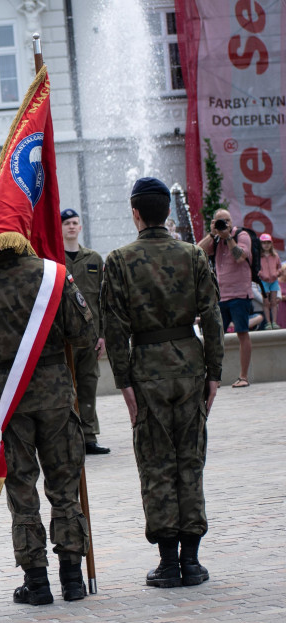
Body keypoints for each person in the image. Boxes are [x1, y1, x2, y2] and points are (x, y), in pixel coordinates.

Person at [102, 177, 223, 589]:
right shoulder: (191, 254)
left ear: (135, 212)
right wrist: (215, 373)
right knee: (190, 460)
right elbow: (212, 316)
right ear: (167, 213)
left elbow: (115, 327)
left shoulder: (118, 260)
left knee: (156, 463)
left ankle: (168, 562)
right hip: (189, 363)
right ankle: (192, 559)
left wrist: (124, 383)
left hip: (147, 369)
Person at [0, 239, 96, 606]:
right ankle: (72, 577)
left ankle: (36, 581)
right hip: (55, 390)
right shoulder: (53, 274)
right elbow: (84, 334)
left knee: (22, 488)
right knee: (64, 485)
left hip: (10, 392)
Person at [61, 208, 110, 455]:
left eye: (75, 223)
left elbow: (101, 301)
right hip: (63, 338)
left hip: (90, 337)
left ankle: (89, 436)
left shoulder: (93, 258)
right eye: (67, 223)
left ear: (80, 227)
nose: (71, 226)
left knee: (88, 384)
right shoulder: (52, 259)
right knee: (64, 387)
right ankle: (69, 436)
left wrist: (102, 335)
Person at [198, 209, 252, 388]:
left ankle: (243, 376)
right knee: (215, 336)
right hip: (221, 296)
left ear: (232, 221)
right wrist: (212, 234)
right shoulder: (215, 239)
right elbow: (197, 251)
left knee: (242, 333)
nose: (224, 224)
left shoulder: (242, 236)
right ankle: (215, 378)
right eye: (220, 221)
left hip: (239, 294)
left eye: (226, 220)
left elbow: (240, 257)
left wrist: (228, 237)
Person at [258, 234, 280, 329]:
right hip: (264, 281)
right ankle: (268, 322)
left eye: (268, 243)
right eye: (264, 243)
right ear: (261, 244)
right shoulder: (259, 256)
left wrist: (277, 273)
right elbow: (256, 269)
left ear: (271, 244)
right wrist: (262, 274)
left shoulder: (275, 256)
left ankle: (274, 322)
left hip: (274, 281)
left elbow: (279, 267)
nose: (266, 245)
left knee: (274, 301)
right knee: (266, 302)